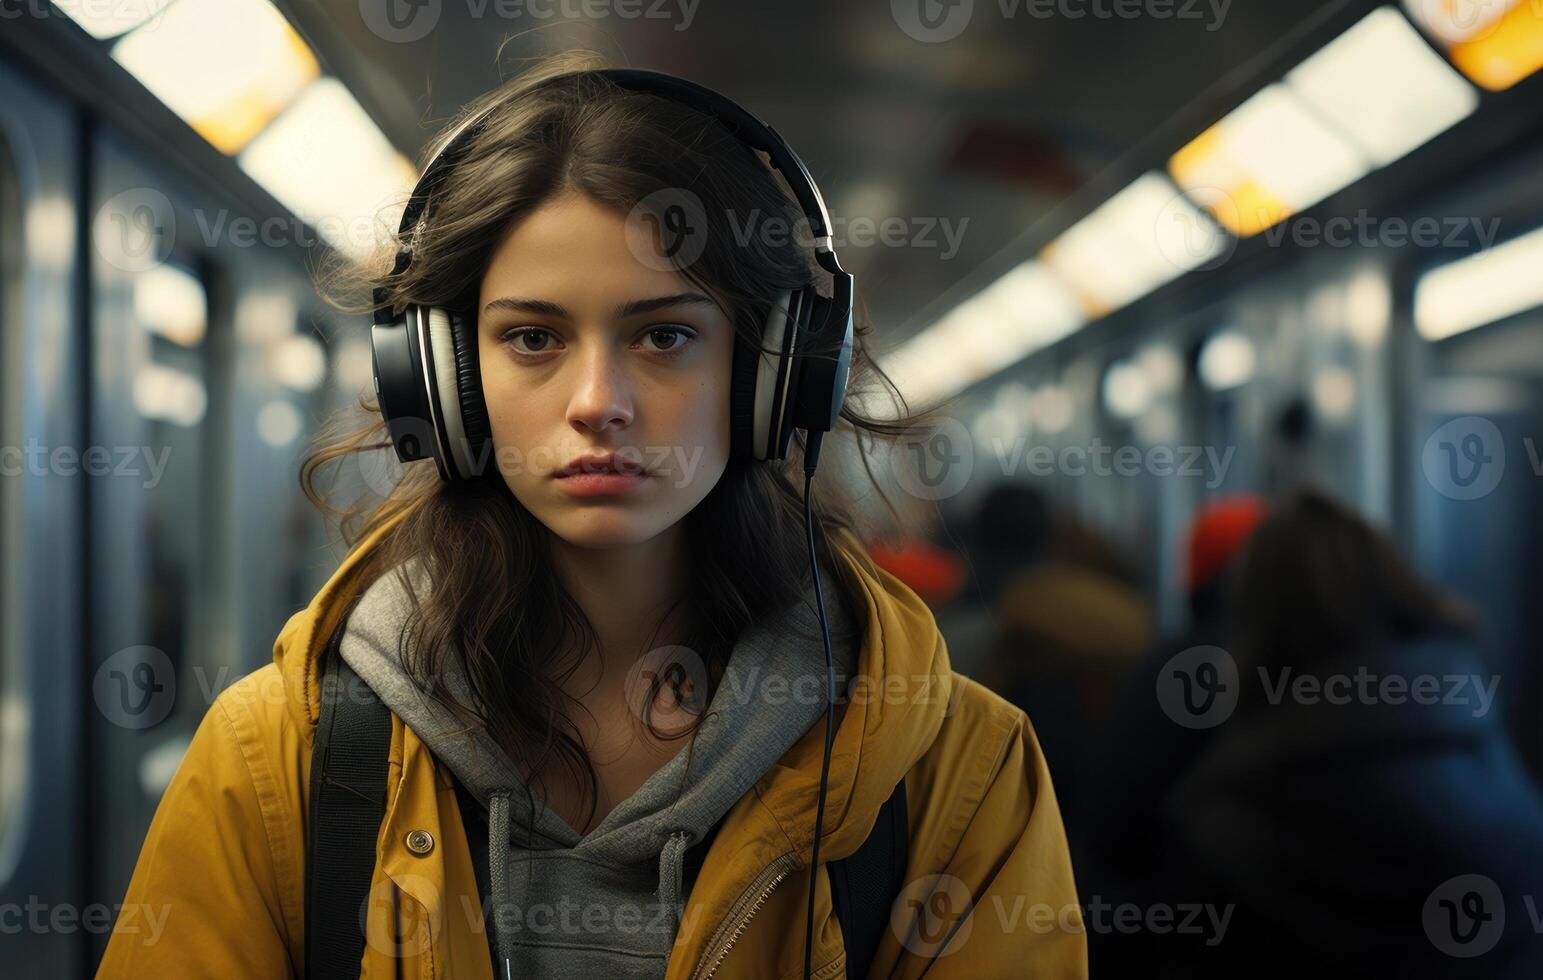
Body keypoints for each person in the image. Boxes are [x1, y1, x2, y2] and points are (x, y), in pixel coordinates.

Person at [96, 54, 1086, 979]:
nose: (596, 399)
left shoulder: (957, 772)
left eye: (663, 334)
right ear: (440, 381)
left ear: (773, 375)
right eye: (532, 337)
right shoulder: (277, 757)